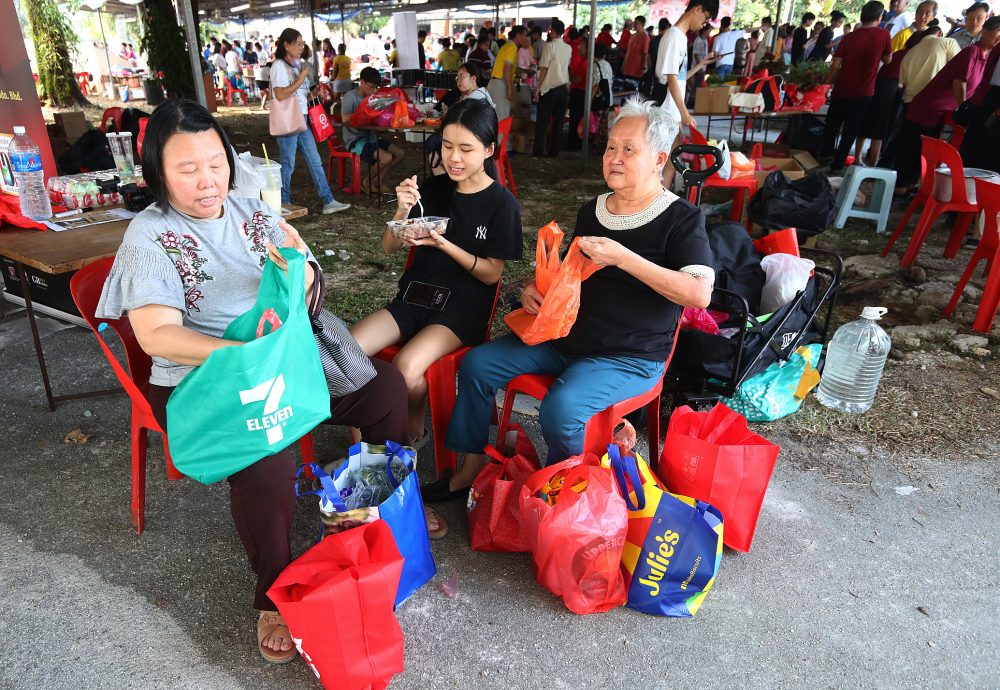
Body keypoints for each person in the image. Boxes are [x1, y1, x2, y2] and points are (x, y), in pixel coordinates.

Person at [95, 99, 410, 665]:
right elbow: (156, 335)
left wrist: (299, 269)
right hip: (205, 380)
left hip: (277, 362)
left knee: (385, 390)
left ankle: (359, 521)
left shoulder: (251, 209)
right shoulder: (150, 235)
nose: (207, 180)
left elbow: (311, 280)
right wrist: (242, 354)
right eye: (187, 169)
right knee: (269, 467)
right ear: (158, 173)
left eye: (216, 162)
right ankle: (272, 593)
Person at [429, 98, 713, 501]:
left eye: (628, 149)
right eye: (610, 147)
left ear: (659, 158)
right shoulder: (593, 210)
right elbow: (572, 274)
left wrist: (624, 258)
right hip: (565, 339)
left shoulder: (681, 219)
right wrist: (535, 288)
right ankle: (472, 466)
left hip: (628, 356)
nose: (613, 158)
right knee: (478, 364)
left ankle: (568, 495)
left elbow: (700, 293)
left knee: (560, 411)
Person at [350, 99, 522, 455]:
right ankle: (364, 452)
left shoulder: (502, 205)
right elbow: (388, 248)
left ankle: (411, 433)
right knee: (346, 355)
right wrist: (401, 210)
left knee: (406, 368)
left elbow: (491, 275)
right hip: (415, 296)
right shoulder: (433, 189)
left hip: (462, 308)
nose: (453, 158)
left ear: (489, 149)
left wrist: (445, 246)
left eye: (465, 149)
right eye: (446, 146)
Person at [895, 16, 1000, 192]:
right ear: (985, 30)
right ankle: (899, 188)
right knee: (911, 148)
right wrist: (964, 107)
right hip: (929, 107)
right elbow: (959, 82)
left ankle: (911, 187)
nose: (999, 37)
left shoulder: (987, 57)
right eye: (997, 32)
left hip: (943, 112)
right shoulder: (972, 52)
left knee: (925, 153)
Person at [269, 28, 351, 214]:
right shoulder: (279, 66)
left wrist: (313, 94)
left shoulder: (297, 66)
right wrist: (301, 80)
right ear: (286, 45)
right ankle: (283, 203)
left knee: (315, 161)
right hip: (288, 119)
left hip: (302, 117)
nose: (301, 47)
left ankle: (328, 200)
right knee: (288, 163)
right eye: (297, 44)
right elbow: (280, 94)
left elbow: (298, 95)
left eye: (302, 43)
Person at [820, 1, 892, 174]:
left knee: (831, 125)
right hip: (864, 92)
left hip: (842, 90)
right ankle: (837, 165)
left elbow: (835, 65)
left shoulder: (850, 37)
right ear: (879, 17)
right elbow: (888, 59)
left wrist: (826, 83)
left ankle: (824, 157)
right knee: (850, 130)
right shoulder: (883, 36)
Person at [655, 0, 720, 187]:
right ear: (697, 9)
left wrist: (701, 65)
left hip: (671, 111)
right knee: (669, 162)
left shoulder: (680, 37)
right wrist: (684, 113)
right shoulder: (674, 37)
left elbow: (679, 77)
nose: (703, 24)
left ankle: (660, 204)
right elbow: (671, 78)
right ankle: (660, 205)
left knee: (670, 161)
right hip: (667, 111)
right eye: (706, 19)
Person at [857, 29, 929, 166]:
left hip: (879, 85)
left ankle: (858, 159)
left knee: (868, 122)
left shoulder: (899, 53)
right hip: (891, 88)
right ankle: (874, 162)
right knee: (881, 126)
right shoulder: (914, 55)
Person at [340, 67, 406, 195]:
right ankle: (366, 182)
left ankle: (377, 181)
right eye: (371, 87)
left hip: (371, 137)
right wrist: (364, 113)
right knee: (386, 158)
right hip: (355, 140)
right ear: (362, 82)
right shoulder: (351, 97)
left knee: (400, 153)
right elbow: (345, 120)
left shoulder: (373, 97)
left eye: (376, 88)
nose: (374, 90)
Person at [533, 19, 573, 157]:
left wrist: (537, 89)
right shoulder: (568, 48)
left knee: (542, 122)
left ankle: (538, 151)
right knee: (558, 122)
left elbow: (543, 69)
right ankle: (554, 151)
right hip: (562, 88)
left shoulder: (549, 46)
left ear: (553, 31)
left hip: (549, 88)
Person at [488, 25, 530, 120]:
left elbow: (510, 67)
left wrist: (525, 71)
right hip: (500, 84)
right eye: (525, 35)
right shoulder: (512, 47)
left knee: (498, 117)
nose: (526, 39)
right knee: (501, 118)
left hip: (496, 83)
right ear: (518, 35)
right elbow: (507, 68)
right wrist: (510, 88)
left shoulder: (508, 45)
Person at [622, 16, 650, 82]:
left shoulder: (645, 37)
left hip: (637, 70)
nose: (634, 25)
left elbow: (645, 54)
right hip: (627, 67)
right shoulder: (632, 36)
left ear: (642, 24)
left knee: (633, 89)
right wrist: (623, 64)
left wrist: (644, 68)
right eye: (634, 23)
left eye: (636, 23)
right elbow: (628, 51)